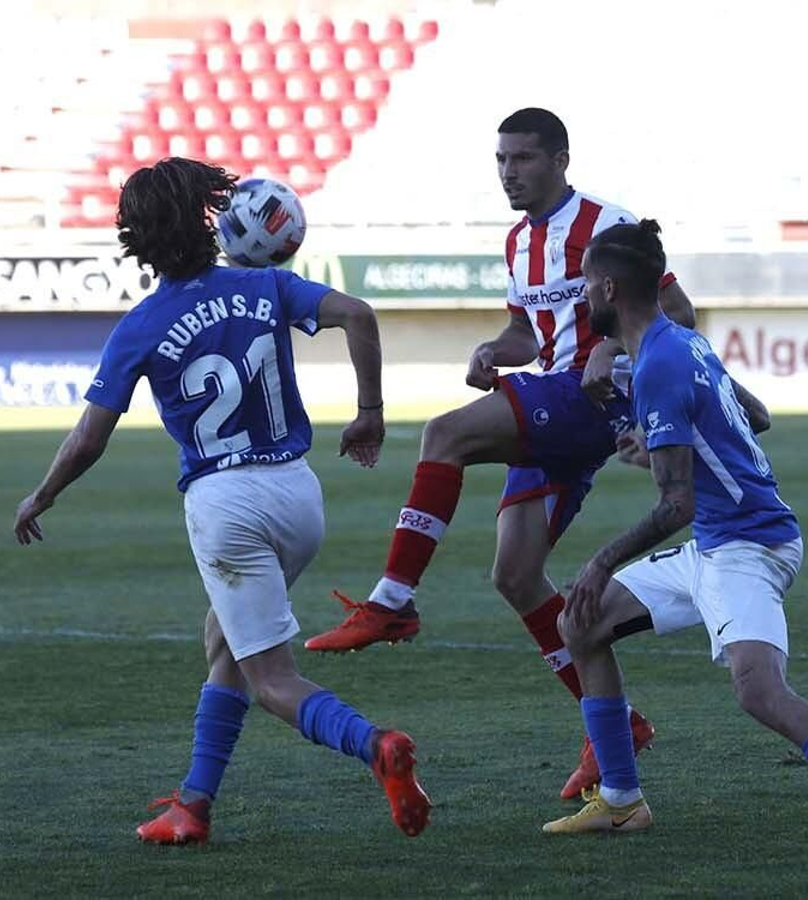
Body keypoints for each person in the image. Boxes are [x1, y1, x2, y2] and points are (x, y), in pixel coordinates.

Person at [302, 107, 731, 800]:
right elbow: (527, 335)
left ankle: (392, 601)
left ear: (560, 160)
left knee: (444, 434)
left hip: (593, 400)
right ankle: (617, 726)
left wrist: (612, 348)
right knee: (516, 574)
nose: (509, 172)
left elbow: (676, 313)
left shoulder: (606, 223)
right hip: (556, 394)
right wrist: (492, 351)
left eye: (523, 158)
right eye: (501, 159)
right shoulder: (518, 241)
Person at [11, 157, 430, 844]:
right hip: (298, 494)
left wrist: (43, 493)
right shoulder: (265, 285)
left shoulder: (141, 326)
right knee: (223, 638)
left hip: (225, 503)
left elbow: (90, 437)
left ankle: (375, 744)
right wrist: (370, 414)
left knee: (271, 681)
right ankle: (193, 805)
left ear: (135, 238)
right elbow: (357, 314)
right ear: (210, 219)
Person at [542, 220, 808, 864]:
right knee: (580, 623)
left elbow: (676, 505)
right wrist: (667, 445)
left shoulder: (659, 363)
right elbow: (755, 417)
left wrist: (599, 560)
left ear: (609, 288)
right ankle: (620, 799)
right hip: (717, 540)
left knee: (759, 689)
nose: (582, 295)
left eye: (586, 284)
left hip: (748, 545)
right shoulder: (684, 344)